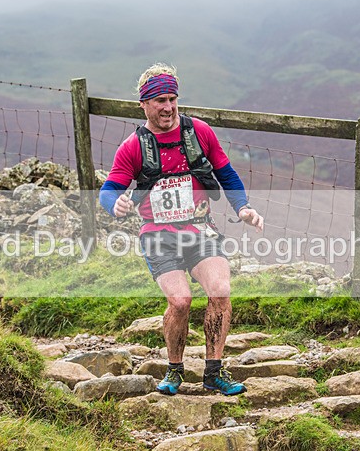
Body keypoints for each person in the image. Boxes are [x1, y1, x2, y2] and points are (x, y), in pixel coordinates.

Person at [99, 63, 264, 396]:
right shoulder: (133, 147)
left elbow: (226, 174)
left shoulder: (199, 132)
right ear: (143, 105)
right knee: (181, 300)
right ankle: (174, 370)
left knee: (220, 289)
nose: (168, 107)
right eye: (160, 100)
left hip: (201, 229)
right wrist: (113, 203)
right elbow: (109, 189)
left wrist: (243, 207)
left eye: (173, 98)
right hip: (158, 236)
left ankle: (213, 372)